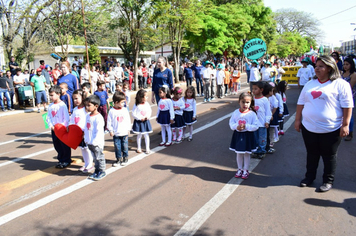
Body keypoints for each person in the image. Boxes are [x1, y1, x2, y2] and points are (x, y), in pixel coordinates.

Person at [295, 55, 353, 192]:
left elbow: (347, 106)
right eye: (316, 66)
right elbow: (301, 103)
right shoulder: (310, 83)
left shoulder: (341, 84)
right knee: (312, 153)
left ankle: (328, 180)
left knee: (329, 155)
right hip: (309, 127)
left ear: (329, 68)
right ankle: (309, 177)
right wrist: (298, 120)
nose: (317, 69)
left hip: (331, 129)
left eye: (321, 66)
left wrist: (345, 125)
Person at [229, 92, 259, 179]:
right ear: (239, 102)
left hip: (248, 136)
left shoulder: (252, 114)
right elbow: (231, 123)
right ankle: (239, 169)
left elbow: (256, 126)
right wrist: (236, 127)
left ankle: (245, 169)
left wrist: (247, 126)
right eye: (243, 102)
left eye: (247, 102)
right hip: (238, 135)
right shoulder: (235, 112)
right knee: (239, 153)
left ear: (250, 103)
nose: (245, 104)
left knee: (246, 153)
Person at [46, 85, 71, 169]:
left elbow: (66, 118)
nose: (51, 97)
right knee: (57, 145)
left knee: (64, 145)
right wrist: (51, 126)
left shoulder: (62, 105)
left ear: (58, 94)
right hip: (54, 129)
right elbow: (48, 117)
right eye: (50, 95)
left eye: (52, 95)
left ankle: (66, 160)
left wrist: (63, 126)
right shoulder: (50, 106)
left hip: (61, 129)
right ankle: (61, 159)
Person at [69, 89, 93, 173]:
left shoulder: (86, 109)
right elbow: (72, 120)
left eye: (77, 98)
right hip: (78, 133)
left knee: (87, 149)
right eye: (74, 99)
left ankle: (90, 164)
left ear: (82, 97)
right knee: (82, 149)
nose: (75, 100)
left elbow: (88, 121)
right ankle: (86, 163)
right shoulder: (75, 109)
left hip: (85, 133)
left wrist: (84, 131)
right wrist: (71, 127)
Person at [84, 95, 106, 181]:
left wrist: (95, 141)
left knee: (99, 157)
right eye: (86, 105)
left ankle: (102, 171)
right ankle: (97, 170)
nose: (87, 107)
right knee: (94, 157)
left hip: (97, 143)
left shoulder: (99, 118)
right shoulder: (88, 116)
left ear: (96, 106)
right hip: (89, 142)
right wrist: (86, 138)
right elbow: (86, 128)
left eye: (89, 105)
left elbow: (99, 131)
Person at [107, 91, 131, 166]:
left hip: (124, 132)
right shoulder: (111, 111)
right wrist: (110, 130)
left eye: (124, 102)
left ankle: (125, 157)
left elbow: (128, 120)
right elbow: (109, 121)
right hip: (116, 133)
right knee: (117, 146)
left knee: (124, 145)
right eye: (122, 102)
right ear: (116, 102)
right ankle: (118, 159)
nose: (124, 104)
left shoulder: (124, 110)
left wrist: (128, 129)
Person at [251, 81, 271, 159]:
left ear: (261, 90)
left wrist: (267, 121)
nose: (253, 90)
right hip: (254, 124)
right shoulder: (252, 99)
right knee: (255, 137)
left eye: (256, 89)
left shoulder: (265, 100)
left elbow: (268, 112)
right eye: (253, 89)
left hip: (262, 123)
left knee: (262, 138)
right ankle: (256, 150)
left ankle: (262, 150)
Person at [132, 89, 152, 154]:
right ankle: (139, 147)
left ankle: (147, 148)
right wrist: (139, 118)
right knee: (139, 135)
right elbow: (133, 114)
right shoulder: (136, 105)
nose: (147, 98)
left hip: (145, 121)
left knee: (146, 135)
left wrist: (147, 117)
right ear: (141, 97)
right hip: (139, 122)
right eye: (145, 96)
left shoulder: (147, 104)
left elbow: (149, 111)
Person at [341, 57, 356, 141]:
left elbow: (350, 87)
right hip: (340, 97)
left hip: (350, 97)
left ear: (351, 65)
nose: (345, 66)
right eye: (344, 64)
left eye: (347, 64)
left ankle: (350, 132)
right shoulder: (341, 74)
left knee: (349, 115)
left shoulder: (353, 75)